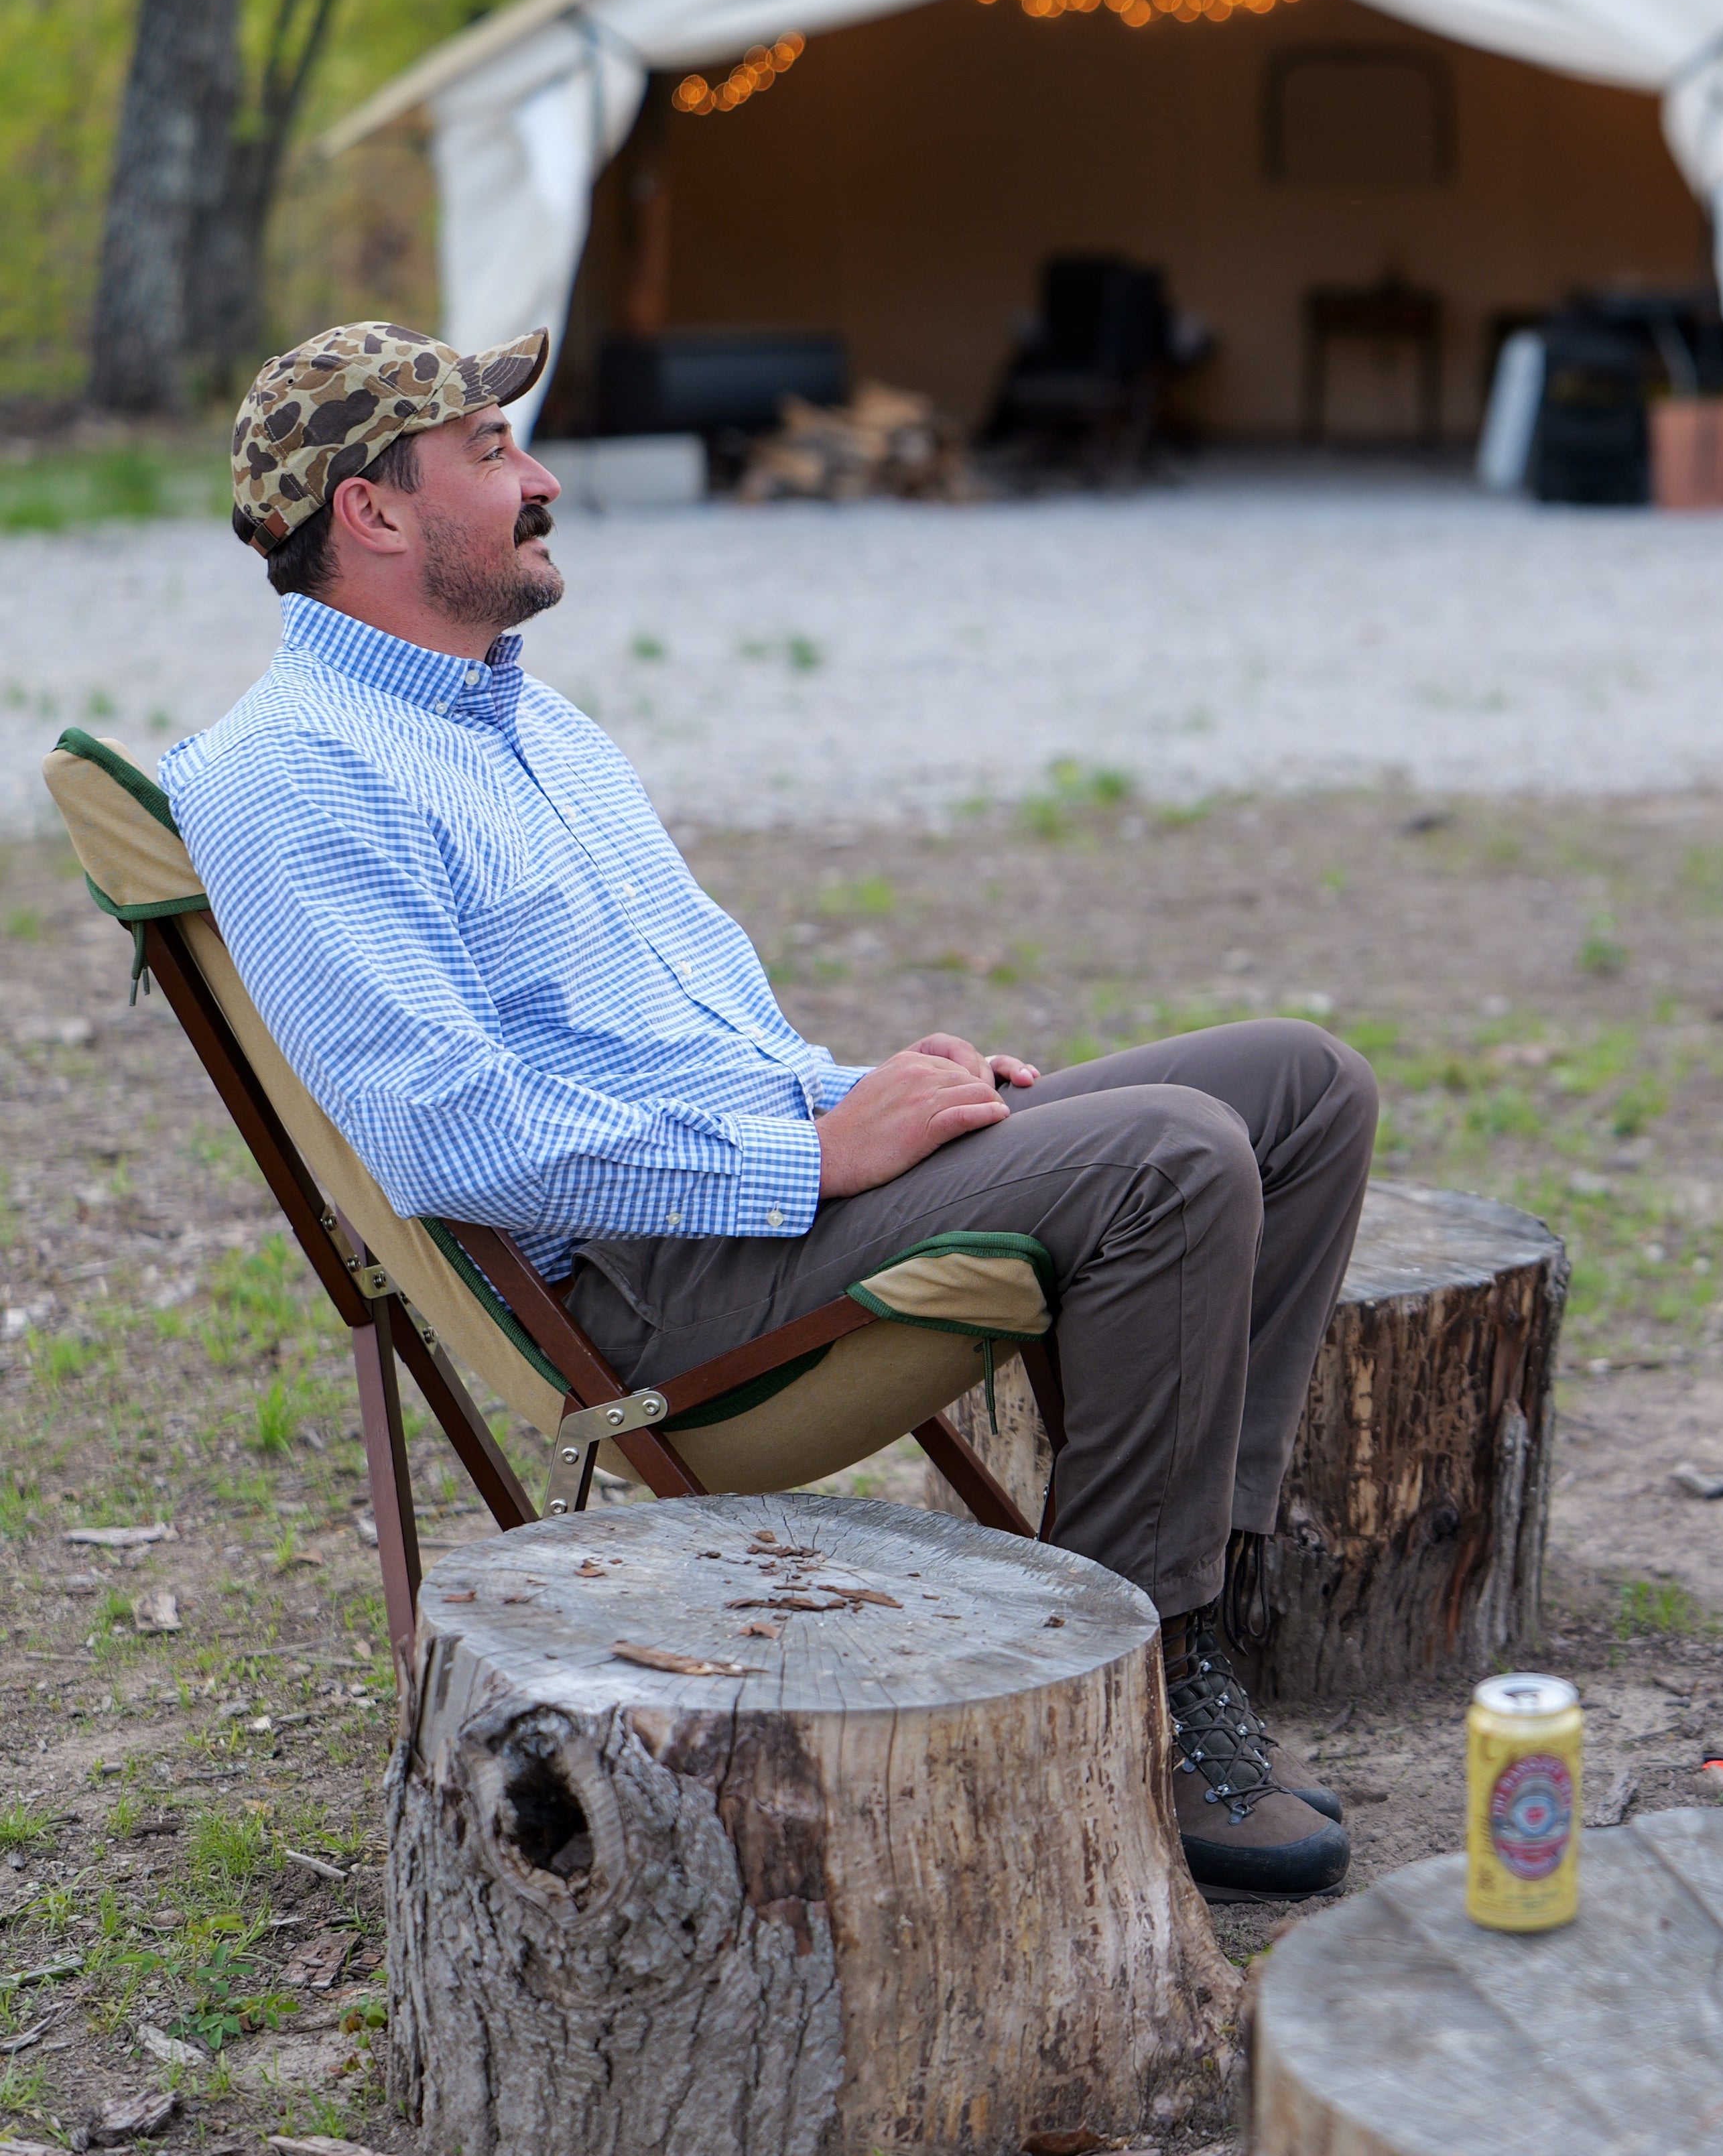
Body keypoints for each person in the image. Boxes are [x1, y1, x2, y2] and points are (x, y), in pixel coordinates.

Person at [166, 321, 1373, 1899]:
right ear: (373, 514)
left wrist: (866, 1094)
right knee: (1173, 1158)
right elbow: (444, 1126)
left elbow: (689, 1014)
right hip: (648, 1268)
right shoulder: (295, 771)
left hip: (755, 1176)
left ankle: (1183, 1600)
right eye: (489, 454)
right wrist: (809, 1151)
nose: (538, 482)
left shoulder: (524, 717)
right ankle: (1134, 1681)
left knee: (1299, 1081)